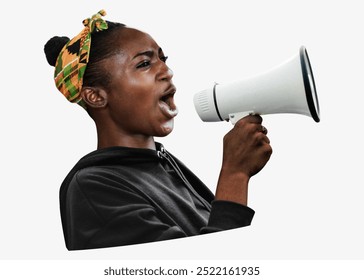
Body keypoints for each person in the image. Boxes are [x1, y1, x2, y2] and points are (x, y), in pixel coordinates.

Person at [44, 10, 272, 250]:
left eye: (163, 59)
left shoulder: (163, 164)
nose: (167, 71)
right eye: (144, 63)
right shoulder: (93, 188)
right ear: (96, 96)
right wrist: (235, 175)